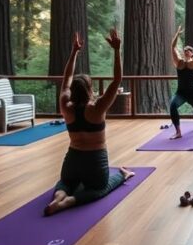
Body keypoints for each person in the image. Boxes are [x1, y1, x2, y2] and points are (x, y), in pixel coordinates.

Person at [44, 30, 135, 216]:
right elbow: (117, 80)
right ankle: (70, 201)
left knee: (65, 183)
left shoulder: (66, 106)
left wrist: (74, 52)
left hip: (72, 159)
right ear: (89, 89)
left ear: (73, 91)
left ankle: (59, 195)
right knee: (100, 188)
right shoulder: (97, 108)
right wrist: (117, 50)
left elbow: (66, 80)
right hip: (95, 161)